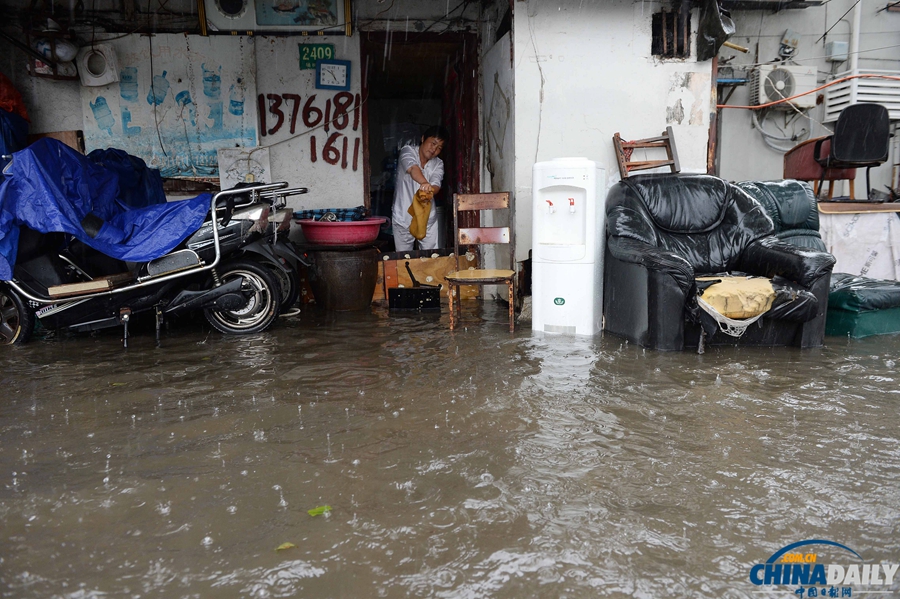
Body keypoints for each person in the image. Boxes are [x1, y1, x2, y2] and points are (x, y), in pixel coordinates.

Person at [391, 126, 449, 251]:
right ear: (423, 138)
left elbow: (436, 185)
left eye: (439, 148)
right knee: (404, 259)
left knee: (430, 258)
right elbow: (413, 168)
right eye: (433, 143)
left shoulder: (438, 163)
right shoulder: (408, 151)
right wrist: (424, 183)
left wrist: (430, 189)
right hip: (403, 217)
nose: (434, 149)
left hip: (427, 217)